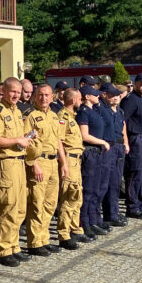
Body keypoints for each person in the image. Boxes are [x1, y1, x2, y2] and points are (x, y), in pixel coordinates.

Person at [0, 78, 34, 266]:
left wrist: (26, 138)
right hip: (6, 163)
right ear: (4, 91)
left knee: (20, 207)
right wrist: (18, 140)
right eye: (12, 91)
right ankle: (4, 250)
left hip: (19, 162)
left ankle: (14, 246)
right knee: (8, 207)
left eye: (18, 92)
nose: (15, 95)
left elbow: (18, 138)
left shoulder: (16, 111)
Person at [23, 84, 66, 255]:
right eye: (40, 95)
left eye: (47, 95)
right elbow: (27, 143)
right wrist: (34, 164)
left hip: (53, 162)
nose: (44, 98)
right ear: (35, 96)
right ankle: (34, 243)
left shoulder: (55, 117)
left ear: (52, 97)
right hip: (39, 161)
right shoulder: (30, 116)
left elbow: (58, 142)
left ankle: (44, 238)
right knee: (37, 203)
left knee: (50, 204)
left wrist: (63, 163)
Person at [76, 85, 111, 237]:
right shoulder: (83, 112)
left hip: (97, 154)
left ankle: (93, 220)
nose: (98, 96)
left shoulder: (95, 110)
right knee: (88, 190)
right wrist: (102, 142)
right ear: (87, 96)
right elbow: (84, 135)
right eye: (94, 94)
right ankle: (84, 222)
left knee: (96, 190)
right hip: (90, 153)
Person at [55, 88, 85, 248]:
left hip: (77, 160)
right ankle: (64, 233)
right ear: (73, 100)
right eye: (79, 99)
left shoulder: (72, 117)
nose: (81, 102)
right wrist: (64, 164)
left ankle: (74, 227)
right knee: (69, 195)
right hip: (69, 160)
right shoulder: (63, 117)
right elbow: (59, 140)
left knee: (77, 195)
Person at [120, 74, 142, 219]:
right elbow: (123, 121)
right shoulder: (130, 100)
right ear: (135, 84)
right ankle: (132, 206)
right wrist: (126, 141)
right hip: (136, 139)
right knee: (135, 173)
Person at [99, 83, 129, 223]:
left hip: (119, 146)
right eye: (113, 95)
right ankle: (108, 214)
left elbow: (123, 128)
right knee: (106, 182)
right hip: (108, 147)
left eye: (117, 95)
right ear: (104, 95)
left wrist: (125, 143)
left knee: (116, 181)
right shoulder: (101, 109)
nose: (116, 97)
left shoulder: (119, 111)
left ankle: (114, 212)